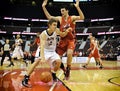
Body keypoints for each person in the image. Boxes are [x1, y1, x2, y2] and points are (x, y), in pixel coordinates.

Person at [22, 18, 72, 87]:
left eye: (56, 25)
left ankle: (53, 73)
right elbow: (42, 46)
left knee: (59, 61)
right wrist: (42, 57)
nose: (55, 26)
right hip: (44, 50)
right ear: (49, 25)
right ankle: (26, 78)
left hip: (52, 51)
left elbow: (62, 35)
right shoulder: (43, 34)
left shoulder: (56, 30)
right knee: (36, 62)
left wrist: (67, 31)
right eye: (54, 25)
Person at [42, 0, 85, 80]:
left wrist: (77, 7)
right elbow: (49, 17)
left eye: (63, 10)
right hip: (62, 40)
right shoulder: (60, 18)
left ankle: (68, 69)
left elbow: (82, 17)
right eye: (61, 11)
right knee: (57, 59)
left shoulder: (72, 18)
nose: (61, 12)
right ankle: (64, 69)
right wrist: (43, 7)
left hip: (70, 40)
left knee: (69, 53)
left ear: (67, 11)